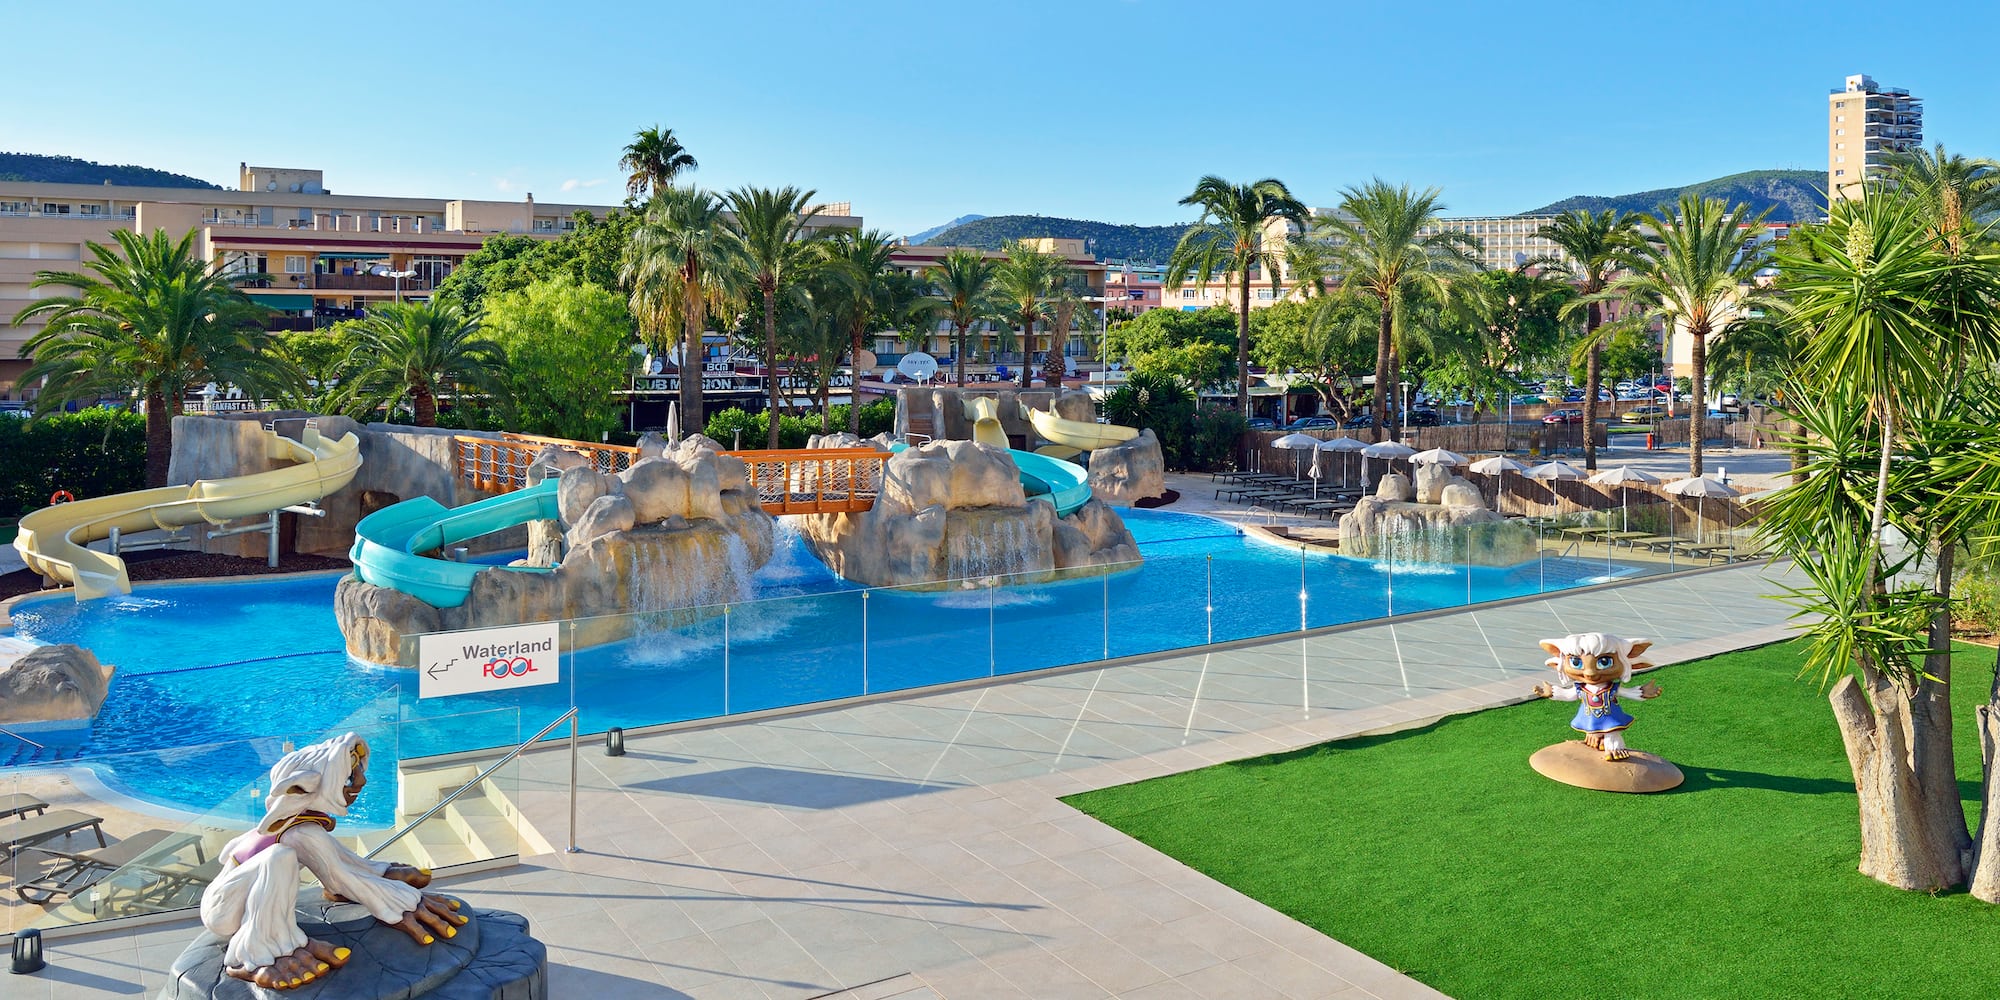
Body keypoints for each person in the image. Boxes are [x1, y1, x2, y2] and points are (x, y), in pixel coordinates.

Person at [200, 734, 468, 990]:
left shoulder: (299, 821)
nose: (360, 781)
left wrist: (373, 874)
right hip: (225, 911)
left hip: (231, 895)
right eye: (349, 776)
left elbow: (329, 862)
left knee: (287, 853)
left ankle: (372, 871)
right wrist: (404, 903)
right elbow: (339, 874)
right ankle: (261, 951)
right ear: (311, 785)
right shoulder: (299, 831)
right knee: (280, 857)